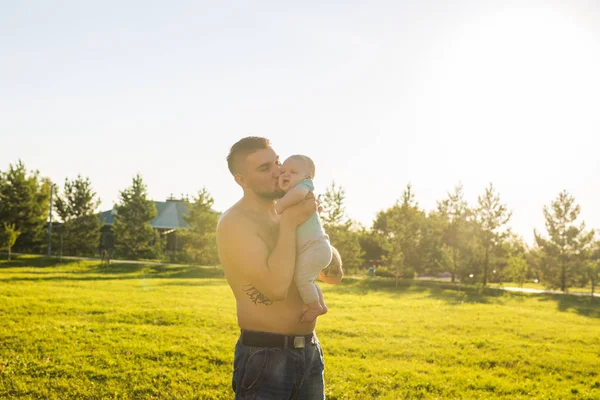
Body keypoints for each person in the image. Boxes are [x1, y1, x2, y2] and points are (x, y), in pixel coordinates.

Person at [216, 137, 343, 399]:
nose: (278, 172)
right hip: (266, 357)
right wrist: (290, 224)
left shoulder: (291, 211)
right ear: (242, 180)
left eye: (277, 162)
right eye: (265, 168)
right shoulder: (236, 222)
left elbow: (332, 276)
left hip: (309, 351)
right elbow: (276, 288)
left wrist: (318, 235)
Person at [275, 155, 332, 323]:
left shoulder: (303, 187)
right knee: (308, 280)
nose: (286, 175)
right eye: (283, 171)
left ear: (307, 177)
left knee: (302, 279)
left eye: (293, 172)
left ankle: (315, 307)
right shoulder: (291, 196)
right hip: (314, 248)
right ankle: (320, 305)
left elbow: (297, 194)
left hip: (315, 247)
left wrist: (279, 206)